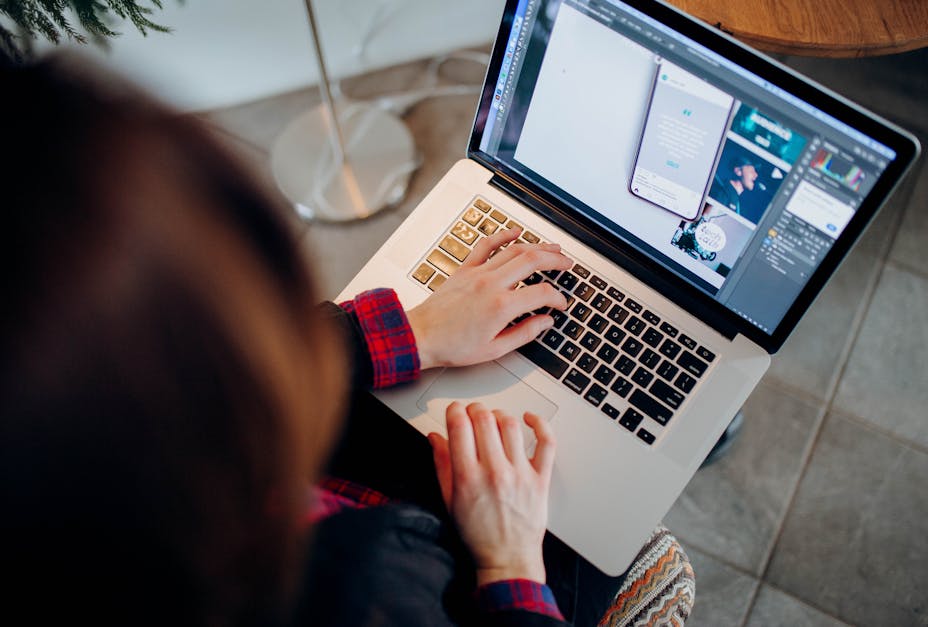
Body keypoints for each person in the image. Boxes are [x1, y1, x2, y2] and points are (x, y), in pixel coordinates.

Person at [0, 56, 693, 626]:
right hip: (457, 570)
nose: (294, 324)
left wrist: (418, 329)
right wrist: (510, 560)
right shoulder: (367, 591)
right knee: (595, 523)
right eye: (258, 314)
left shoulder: (75, 475)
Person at [708, 155, 763, 222]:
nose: (756, 175)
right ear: (738, 171)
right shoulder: (722, 191)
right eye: (751, 171)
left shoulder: (734, 197)